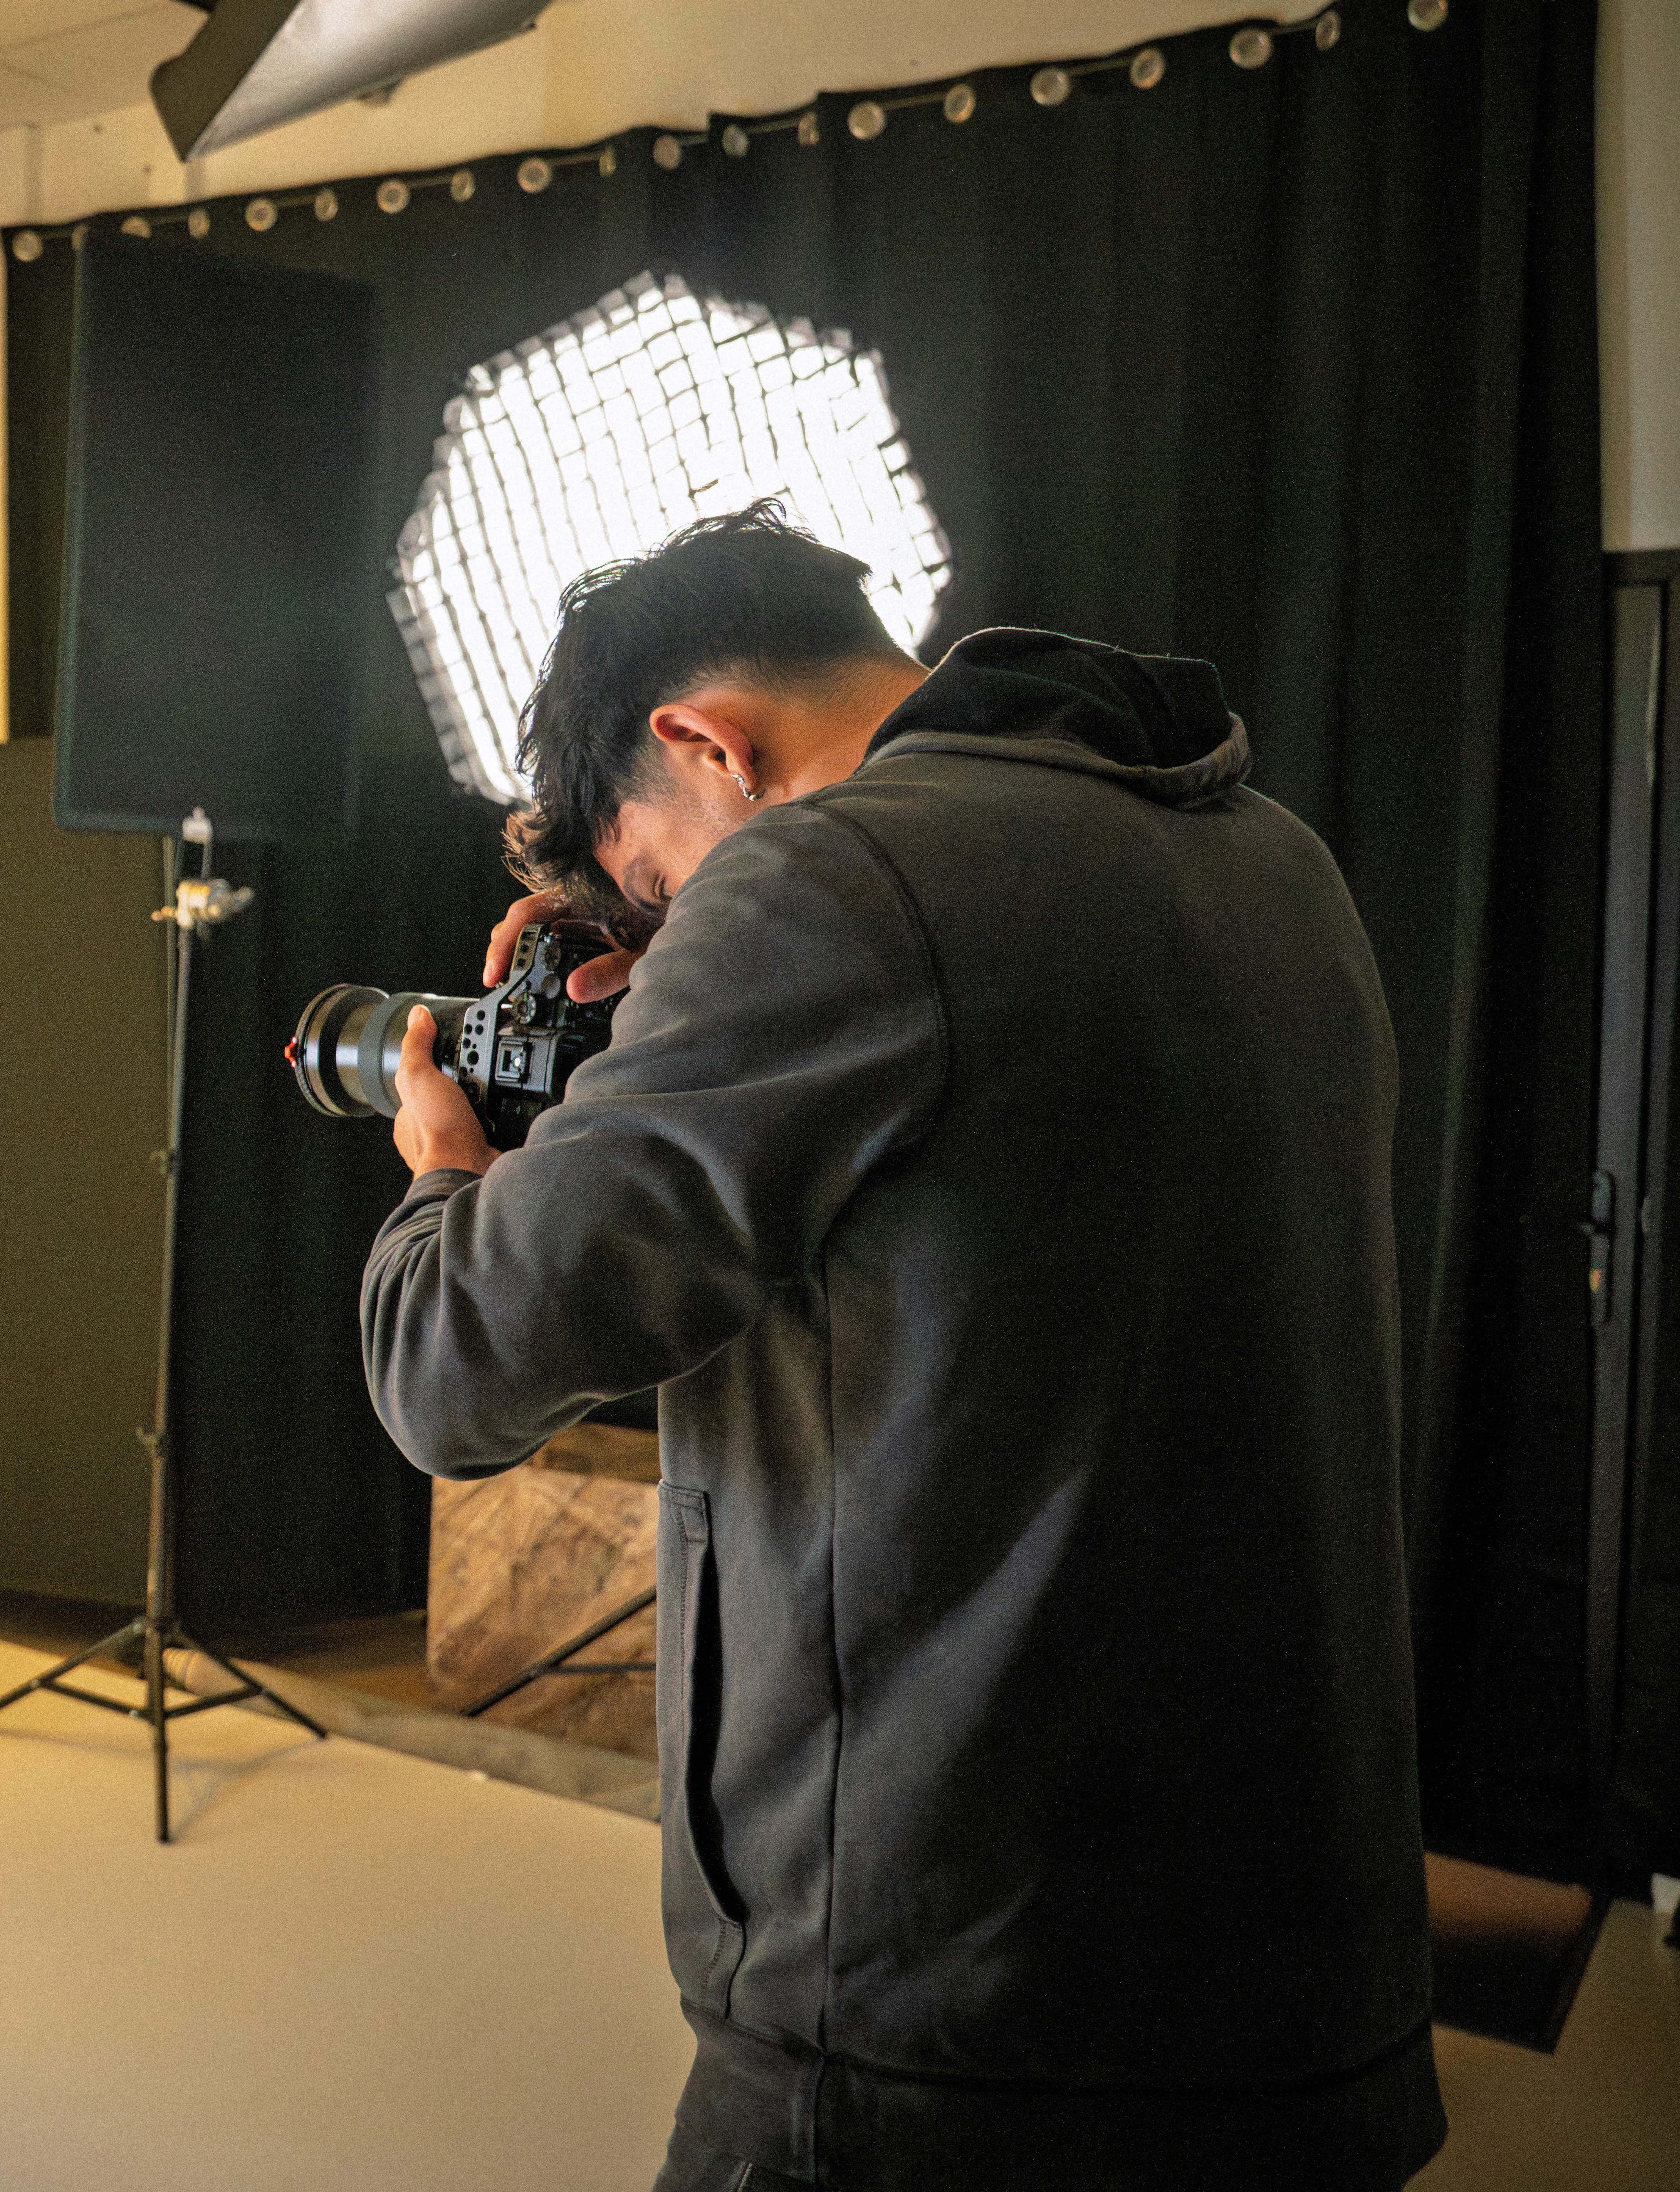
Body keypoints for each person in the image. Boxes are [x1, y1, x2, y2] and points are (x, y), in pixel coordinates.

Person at [360, 510, 1441, 2190]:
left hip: (942, 2016)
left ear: (702, 740)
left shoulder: (829, 879)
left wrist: (446, 1162)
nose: (671, 927)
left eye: (654, 882)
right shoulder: (1266, 854)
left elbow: (453, 1366)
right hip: (1289, 1988)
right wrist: (681, 979)